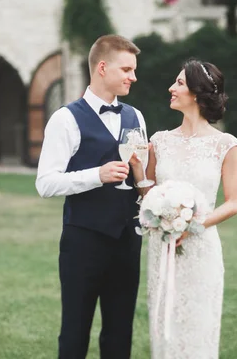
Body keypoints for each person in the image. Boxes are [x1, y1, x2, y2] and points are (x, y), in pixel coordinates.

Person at [35, 34, 146, 359]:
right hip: (83, 242)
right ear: (101, 67)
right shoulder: (65, 119)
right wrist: (96, 176)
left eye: (133, 70)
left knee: (120, 331)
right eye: (126, 69)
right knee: (74, 331)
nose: (133, 77)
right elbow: (45, 183)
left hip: (128, 240)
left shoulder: (136, 116)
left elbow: (141, 174)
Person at [130, 59, 237, 358]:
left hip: (201, 249)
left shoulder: (225, 145)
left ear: (196, 93)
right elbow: (148, 195)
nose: (171, 88)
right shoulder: (160, 141)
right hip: (162, 248)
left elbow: (233, 203)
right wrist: (138, 172)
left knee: (198, 327)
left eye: (179, 83)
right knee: (164, 326)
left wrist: (192, 225)